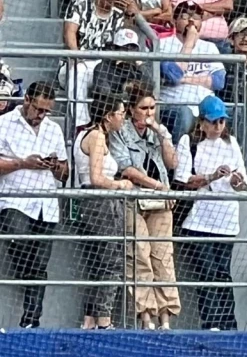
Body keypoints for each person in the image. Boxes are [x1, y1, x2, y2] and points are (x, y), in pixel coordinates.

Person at [174, 95, 247, 331]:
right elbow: (183, 180)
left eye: (221, 122)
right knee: (206, 274)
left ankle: (229, 323)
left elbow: (244, 182)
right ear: (202, 122)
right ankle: (211, 323)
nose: (218, 127)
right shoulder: (189, 141)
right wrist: (211, 177)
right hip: (199, 220)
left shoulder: (231, 143)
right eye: (213, 122)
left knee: (223, 274)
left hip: (226, 220)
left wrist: (236, 180)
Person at [110, 83, 181, 330]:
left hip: (160, 202)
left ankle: (166, 317)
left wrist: (163, 135)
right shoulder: (120, 132)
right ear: (131, 110)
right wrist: (158, 186)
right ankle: (146, 317)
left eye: (152, 107)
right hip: (135, 199)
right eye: (143, 108)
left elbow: (172, 164)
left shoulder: (158, 132)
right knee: (139, 254)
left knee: (163, 256)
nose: (149, 113)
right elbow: (126, 168)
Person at [0, 81, 69, 329]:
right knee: (18, 240)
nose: (42, 115)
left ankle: (31, 322)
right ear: (27, 100)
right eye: (39, 109)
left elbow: (65, 171)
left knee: (40, 265)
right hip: (14, 200)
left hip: (46, 204)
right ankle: (24, 273)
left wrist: (56, 166)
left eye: (47, 111)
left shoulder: (53, 130)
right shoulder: (4, 123)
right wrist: (22, 163)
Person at [74, 92, 132, 330]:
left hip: (93, 204)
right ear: (109, 116)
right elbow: (97, 177)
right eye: (121, 114)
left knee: (97, 262)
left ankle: (90, 320)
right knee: (111, 262)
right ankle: (104, 320)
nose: (123, 118)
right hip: (101, 203)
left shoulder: (86, 134)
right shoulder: (97, 136)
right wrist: (120, 184)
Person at [159, 1, 227, 142]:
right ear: (174, 20)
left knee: (242, 114)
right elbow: (173, 75)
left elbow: (219, 81)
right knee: (184, 114)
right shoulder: (162, 45)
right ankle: (179, 161)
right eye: (185, 16)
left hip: (208, 109)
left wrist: (185, 79)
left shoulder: (210, 47)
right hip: (176, 106)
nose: (191, 20)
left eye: (196, 17)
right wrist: (189, 43)